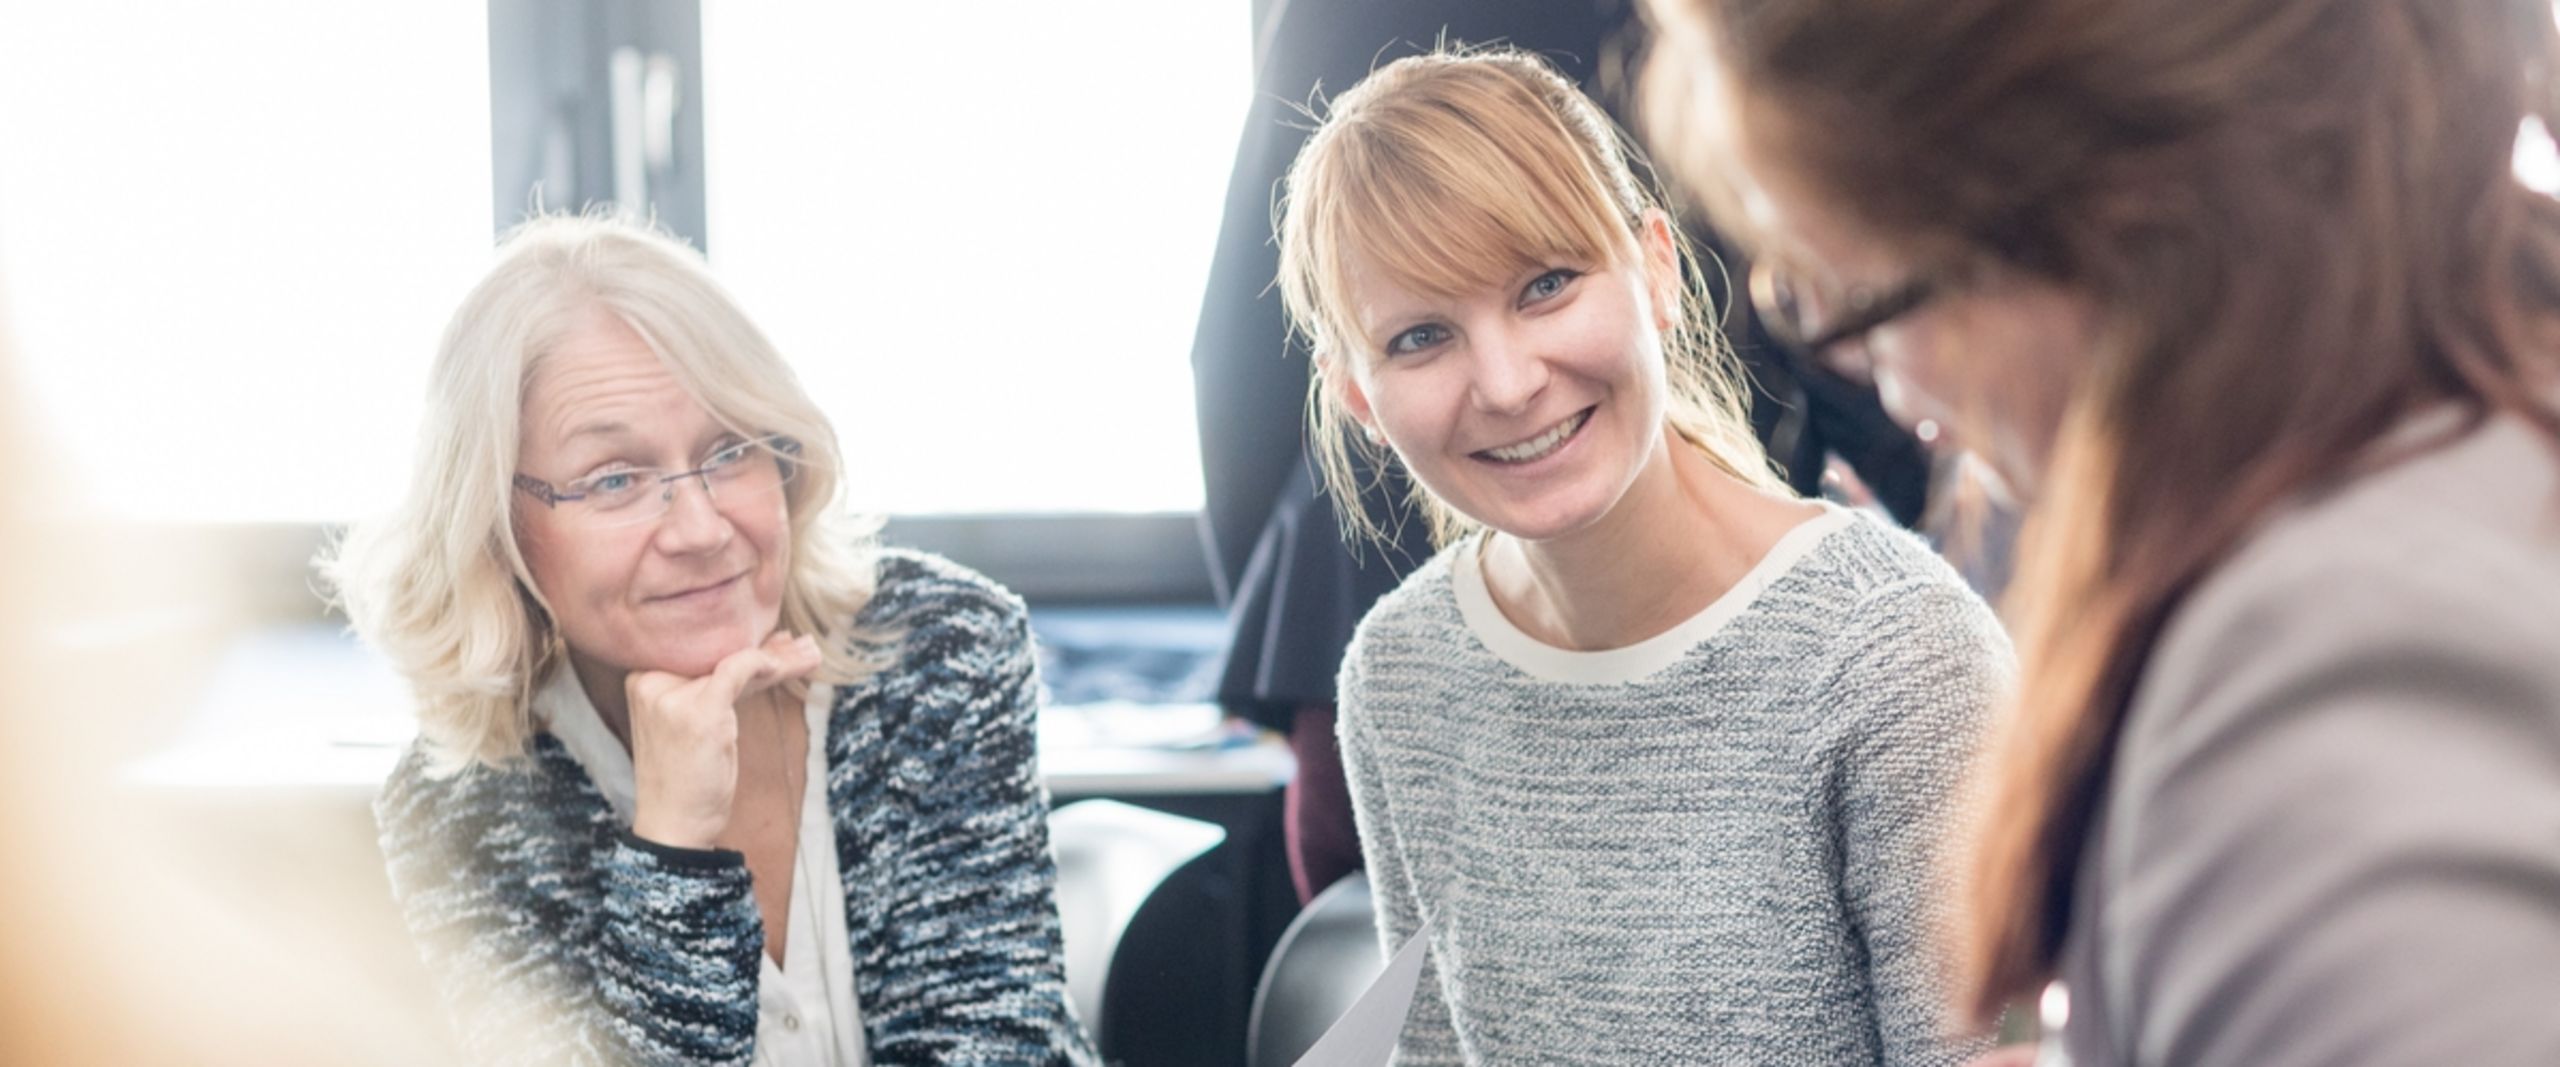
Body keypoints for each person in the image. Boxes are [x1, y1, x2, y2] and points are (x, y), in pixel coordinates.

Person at [1638, 1, 2560, 1064]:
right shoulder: (2474, 410)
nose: (1885, 388)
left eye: (1862, 298)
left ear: (2108, 219)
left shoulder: (2323, 681)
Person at [1275, 48, 2012, 1064]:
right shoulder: (1399, 673)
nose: (1506, 383)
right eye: (1421, 338)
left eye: (1545, 285)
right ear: (1357, 394)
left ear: (1656, 269)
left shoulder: (1892, 652)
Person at [322, 214, 1097, 1065]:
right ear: (498, 527)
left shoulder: (941, 649)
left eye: (730, 451)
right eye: (616, 478)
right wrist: (672, 846)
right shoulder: (458, 808)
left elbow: (993, 1046)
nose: (699, 527)